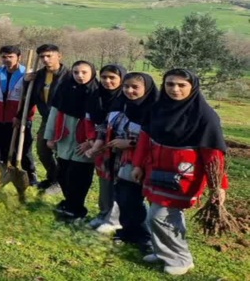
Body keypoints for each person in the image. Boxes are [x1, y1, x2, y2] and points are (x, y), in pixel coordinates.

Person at [132, 69, 229, 276]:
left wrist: (218, 186)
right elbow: (144, 138)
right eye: (170, 84)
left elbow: (213, 154)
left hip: (184, 176)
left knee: (161, 216)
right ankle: (162, 252)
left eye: (181, 85)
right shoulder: (157, 108)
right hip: (155, 169)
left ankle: (180, 259)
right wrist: (138, 164)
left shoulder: (204, 116)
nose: (175, 89)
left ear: (192, 87)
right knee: (160, 215)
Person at [87, 71, 155, 249]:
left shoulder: (153, 110)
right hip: (118, 160)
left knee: (137, 199)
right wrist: (97, 145)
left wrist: (130, 143)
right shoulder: (121, 104)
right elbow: (105, 125)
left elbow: (154, 137)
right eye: (126, 86)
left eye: (135, 87)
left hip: (142, 162)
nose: (129, 91)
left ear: (146, 89)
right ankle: (126, 232)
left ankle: (144, 236)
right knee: (123, 197)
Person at [44, 61, 98, 221]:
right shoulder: (65, 90)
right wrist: (50, 136)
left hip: (84, 141)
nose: (80, 76)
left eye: (84, 72)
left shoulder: (96, 93)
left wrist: (91, 141)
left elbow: (101, 121)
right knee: (62, 174)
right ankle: (69, 202)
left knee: (79, 176)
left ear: (92, 73)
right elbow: (54, 113)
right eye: (76, 72)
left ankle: (76, 208)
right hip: (64, 138)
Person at [83, 65, 128, 234]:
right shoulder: (96, 96)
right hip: (101, 144)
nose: (107, 81)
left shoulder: (125, 98)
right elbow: (91, 119)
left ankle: (114, 219)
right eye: (104, 78)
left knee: (118, 182)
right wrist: (93, 140)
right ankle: (103, 212)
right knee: (104, 180)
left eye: (112, 78)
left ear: (121, 79)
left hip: (120, 148)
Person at [29, 44, 71, 194]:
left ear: (59, 56)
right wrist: (26, 82)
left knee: (62, 152)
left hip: (66, 120)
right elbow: (30, 98)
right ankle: (53, 177)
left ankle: (61, 182)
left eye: (49, 56)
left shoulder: (69, 76)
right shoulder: (38, 76)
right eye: (42, 57)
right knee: (42, 149)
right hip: (47, 118)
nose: (45, 60)